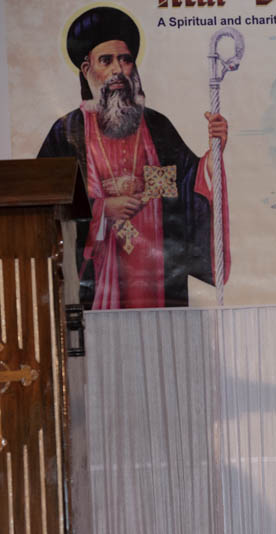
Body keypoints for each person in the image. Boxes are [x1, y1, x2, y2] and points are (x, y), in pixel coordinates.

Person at [37, 6, 230, 309]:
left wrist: (214, 152)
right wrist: (101, 210)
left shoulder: (156, 125)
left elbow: (190, 185)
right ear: (87, 69)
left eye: (125, 60)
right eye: (107, 60)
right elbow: (45, 208)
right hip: (94, 277)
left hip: (156, 275)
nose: (118, 69)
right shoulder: (67, 133)